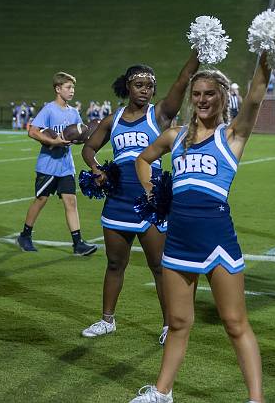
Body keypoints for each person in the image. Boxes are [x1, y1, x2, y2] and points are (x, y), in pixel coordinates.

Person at [128, 54, 271, 403]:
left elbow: (254, 97)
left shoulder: (232, 135)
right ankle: (162, 393)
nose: (202, 100)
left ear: (222, 97)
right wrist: (153, 194)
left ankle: (256, 399)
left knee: (235, 323)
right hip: (178, 240)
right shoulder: (175, 137)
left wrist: (267, 55)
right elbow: (142, 159)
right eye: (197, 94)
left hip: (217, 240)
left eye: (210, 93)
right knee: (177, 322)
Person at [80, 51, 199, 343]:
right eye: (139, 85)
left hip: (150, 203)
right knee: (114, 264)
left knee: (159, 267)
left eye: (149, 86)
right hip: (117, 202)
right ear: (128, 87)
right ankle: (107, 320)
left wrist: (198, 50)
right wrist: (97, 170)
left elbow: (183, 81)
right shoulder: (113, 119)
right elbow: (88, 148)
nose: (145, 90)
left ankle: (168, 325)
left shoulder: (158, 114)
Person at [16, 72, 97, 255]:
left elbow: (81, 134)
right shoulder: (49, 110)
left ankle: (78, 243)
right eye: (68, 87)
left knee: (71, 201)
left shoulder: (74, 112)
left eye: (73, 87)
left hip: (66, 165)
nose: (72, 91)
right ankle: (25, 235)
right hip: (48, 164)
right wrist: (53, 142)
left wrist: (87, 135)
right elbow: (33, 131)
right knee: (41, 199)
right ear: (58, 89)